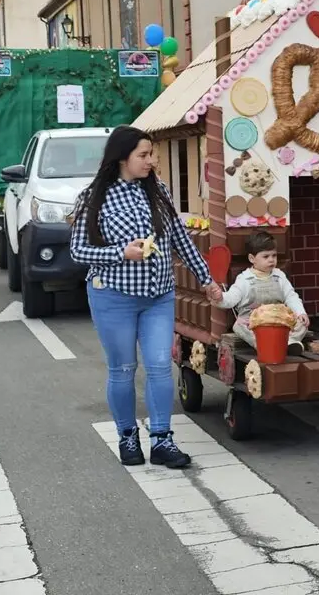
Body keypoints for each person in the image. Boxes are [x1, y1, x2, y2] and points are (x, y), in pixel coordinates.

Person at [70, 125, 221, 468]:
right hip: (113, 297)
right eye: (143, 155)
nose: (151, 160)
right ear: (122, 158)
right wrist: (121, 253)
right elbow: (78, 250)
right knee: (123, 368)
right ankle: (127, 436)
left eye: (151, 154)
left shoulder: (159, 191)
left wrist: (206, 280)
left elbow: (180, 239)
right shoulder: (94, 196)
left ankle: (162, 440)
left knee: (159, 366)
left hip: (159, 296)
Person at [210, 231, 310, 354]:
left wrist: (300, 312)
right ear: (252, 258)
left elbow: (291, 296)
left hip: (278, 318)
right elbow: (231, 298)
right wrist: (220, 297)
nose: (271, 260)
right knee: (239, 326)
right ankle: (262, 344)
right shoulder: (245, 279)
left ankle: (289, 342)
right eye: (266, 256)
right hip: (254, 321)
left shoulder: (279, 276)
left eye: (274, 255)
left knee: (302, 323)